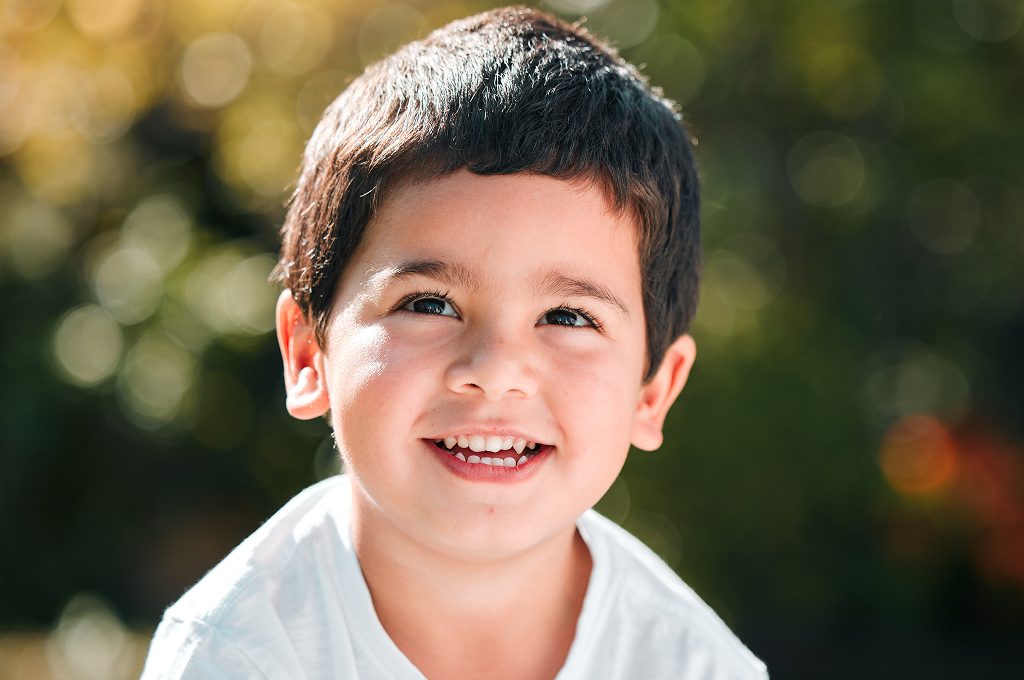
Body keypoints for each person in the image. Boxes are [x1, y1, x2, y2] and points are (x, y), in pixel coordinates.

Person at [140, 7, 768, 679]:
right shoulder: (235, 657)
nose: (495, 370)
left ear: (653, 391)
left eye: (567, 317)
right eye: (429, 304)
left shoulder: (696, 667)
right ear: (306, 355)